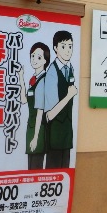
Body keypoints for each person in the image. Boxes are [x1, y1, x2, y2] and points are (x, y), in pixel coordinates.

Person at [44, 30, 77, 169]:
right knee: (53, 173)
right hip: (55, 135)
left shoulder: (70, 69)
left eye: (70, 46)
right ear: (55, 48)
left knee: (65, 173)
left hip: (66, 134)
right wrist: (69, 95)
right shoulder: (52, 72)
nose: (68, 50)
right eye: (63, 46)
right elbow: (50, 115)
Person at [19, 42, 50, 169]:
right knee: (30, 165)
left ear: (45, 61)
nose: (34, 59)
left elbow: (40, 111)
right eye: (32, 56)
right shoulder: (33, 79)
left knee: (36, 165)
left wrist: (36, 137)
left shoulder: (44, 80)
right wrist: (21, 78)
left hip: (40, 127)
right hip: (31, 125)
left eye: (39, 57)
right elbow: (24, 100)